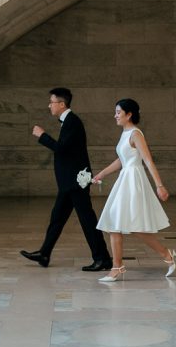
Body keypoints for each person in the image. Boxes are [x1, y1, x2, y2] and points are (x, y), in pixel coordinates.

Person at [20, 87, 112, 271]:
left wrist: (42, 136)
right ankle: (44, 254)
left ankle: (103, 259)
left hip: (75, 182)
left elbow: (61, 148)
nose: (49, 106)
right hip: (68, 183)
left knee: (87, 220)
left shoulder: (73, 122)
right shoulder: (68, 121)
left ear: (62, 104)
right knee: (57, 218)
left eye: (52, 102)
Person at [91, 97, 176, 282]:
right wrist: (101, 174)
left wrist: (159, 185)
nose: (115, 115)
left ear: (129, 114)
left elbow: (148, 160)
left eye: (118, 112)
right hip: (125, 179)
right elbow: (121, 160)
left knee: (136, 227)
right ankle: (117, 267)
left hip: (134, 181)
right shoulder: (124, 133)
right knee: (114, 223)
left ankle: (167, 254)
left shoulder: (136, 134)